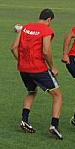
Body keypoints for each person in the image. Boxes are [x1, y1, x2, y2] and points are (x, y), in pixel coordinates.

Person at [11, 8, 64, 140]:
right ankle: (54, 126)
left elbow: (13, 47)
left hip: (23, 68)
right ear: (49, 20)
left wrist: (22, 61)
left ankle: (25, 120)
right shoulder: (47, 30)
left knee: (32, 91)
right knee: (58, 95)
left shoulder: (26, 27)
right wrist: (52, 67)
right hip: (38, 68)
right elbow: (46, 51)